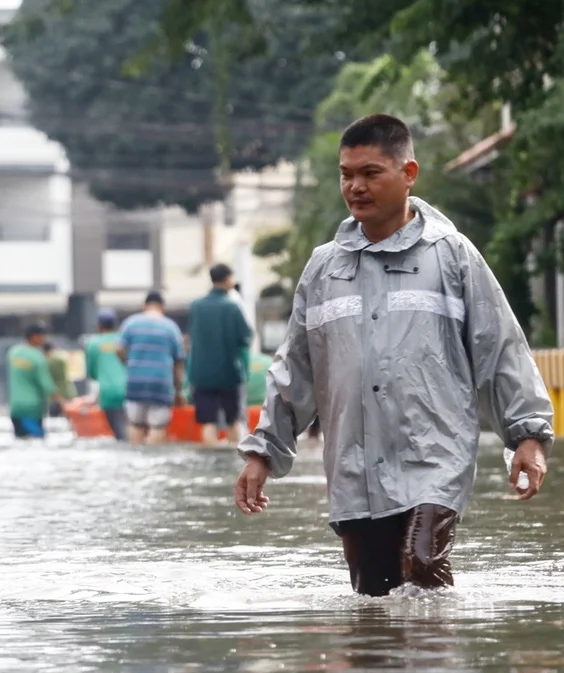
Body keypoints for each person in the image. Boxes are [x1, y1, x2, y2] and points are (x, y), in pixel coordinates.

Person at [235, 113, 554, 596]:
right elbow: (294, 370)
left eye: (370, 173)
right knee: (372, 598)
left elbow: (499, 345)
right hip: (354, 467)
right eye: (346, 174)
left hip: (433, 456)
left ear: (408, 175)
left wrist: (527, 434)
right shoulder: (324, 268)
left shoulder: (452, 256)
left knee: (422, 563)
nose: (355, 186)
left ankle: (437, 664)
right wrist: (264, 453)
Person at [188, 263, 254, 447]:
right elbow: (246, 337)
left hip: (201, 374)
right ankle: (233, 458)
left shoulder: (196, 306)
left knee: (208, 421)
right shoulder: (232, 307)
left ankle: (209, 459)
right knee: (233, 420)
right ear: (227, 279)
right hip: (229, 373)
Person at [118, 291, 185, 445]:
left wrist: (129, 364)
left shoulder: (130, 323)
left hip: (135, 382)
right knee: (157, 426)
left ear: (144, 306)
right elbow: (179, 362)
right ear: (163, 307)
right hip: (160, 383)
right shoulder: (171, 327)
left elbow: (119, 349)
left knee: (135, 424)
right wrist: (179, 391)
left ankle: (135, 459)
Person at [83, 308, 130, 441]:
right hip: (132, 390)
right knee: (135, 430)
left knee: (120, 434)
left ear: (99, 326)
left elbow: (92, 373)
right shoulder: (124, 341)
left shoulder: (93, 344)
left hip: (109, 392)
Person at [7, 323, 57, 439]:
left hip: (15, 407)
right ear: (34, 337)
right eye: (42, 336)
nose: (44, 339)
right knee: (38, 440)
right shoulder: (37, 356)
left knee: (21, 441)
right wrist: (62, 401)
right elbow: (46, 385)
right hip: (32, 408)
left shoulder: (13, 353)